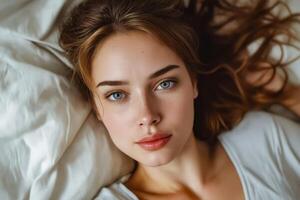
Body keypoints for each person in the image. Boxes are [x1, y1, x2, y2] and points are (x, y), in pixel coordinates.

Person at [59, 0, 300, 199]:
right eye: (117, 95)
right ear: (96, 108)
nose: (148, 116)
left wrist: (284, 92)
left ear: (193, 82)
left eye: (165, 84)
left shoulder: (266, 141)